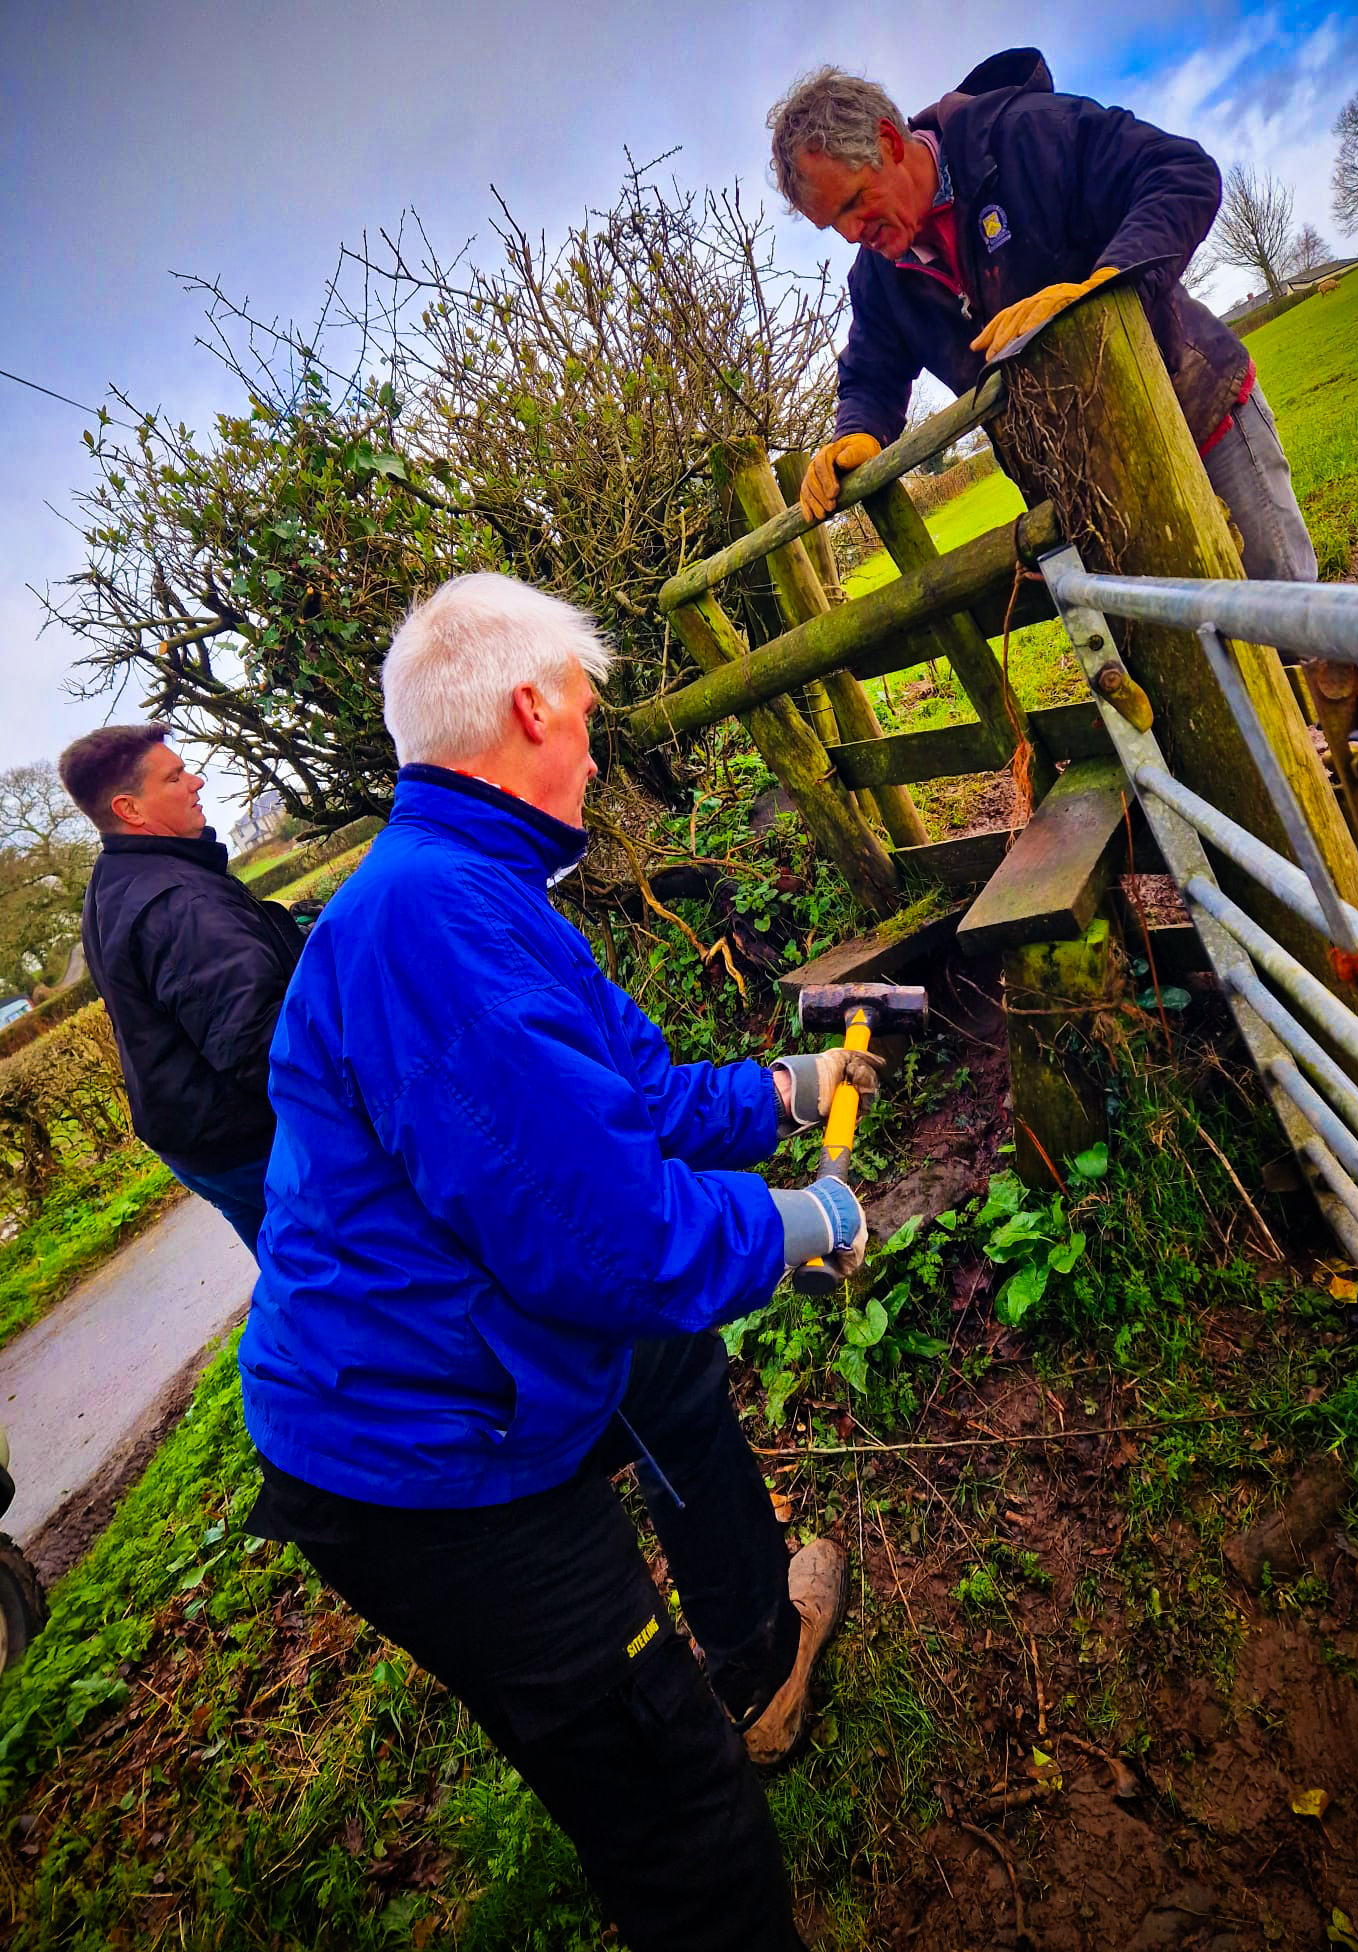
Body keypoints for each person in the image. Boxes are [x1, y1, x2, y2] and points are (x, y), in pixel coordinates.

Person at [237, 572, 882, 1951]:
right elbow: (610, 1241)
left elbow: (629, 1099)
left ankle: (762, 1653)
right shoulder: (435, 926)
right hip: (425, 1457)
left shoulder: (484, 888)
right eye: (585, 713)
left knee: (674, 1377)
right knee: (677, 1812)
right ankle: (699, 1764)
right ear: (532, 705)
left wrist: (781, 1086)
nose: (595, 745)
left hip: (480, 1342)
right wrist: (800, 1224)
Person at [767, 51, 1358, 730]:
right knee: (1189, 659)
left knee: (1289, 612)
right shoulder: (880, 278)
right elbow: (870, 374)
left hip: (1196, 412)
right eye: (835, 226)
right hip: (1092, 491)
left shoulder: (1023, 136)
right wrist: (857, 432)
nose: (855, 234)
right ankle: (1279, 814)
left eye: (856, 204)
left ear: (890, 144)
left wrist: (1105, 283)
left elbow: (1178, 173)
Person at [59, 725, 305, 1252]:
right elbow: (259, 1044)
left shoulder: (115, 876)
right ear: (130, 809)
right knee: (356, 1281)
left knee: (301, 1284)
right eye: (174, 777)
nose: (195, 781)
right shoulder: (177, 902)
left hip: (201, 1142)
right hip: (253, 1142)